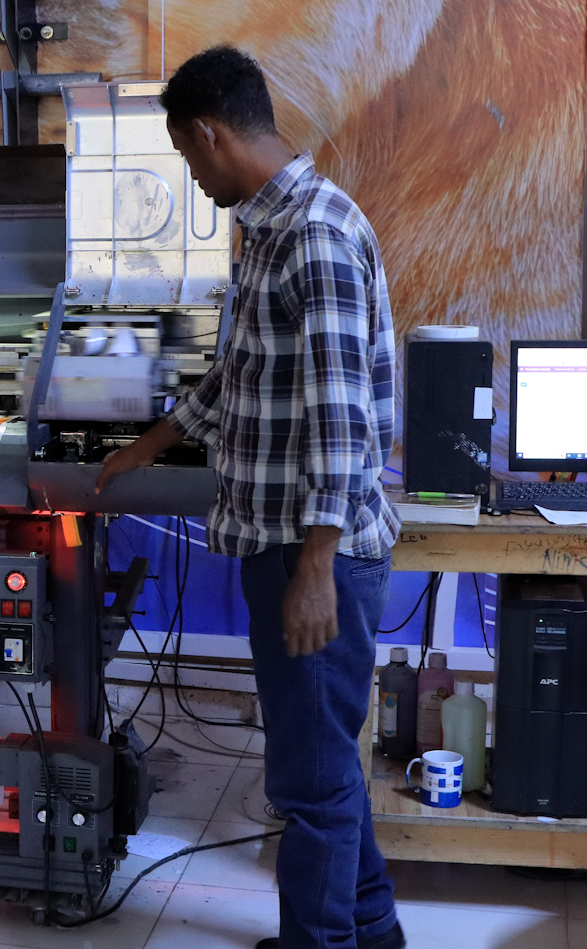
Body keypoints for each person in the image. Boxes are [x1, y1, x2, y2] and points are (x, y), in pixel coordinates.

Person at [97, 46, 402, 949]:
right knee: (324, 764)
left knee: (308, 781)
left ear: (209, 133)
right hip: (289, 548)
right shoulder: (272, 230)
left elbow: (343, 421)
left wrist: (314, 568)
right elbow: (238, 376)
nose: (193, 180)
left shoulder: (313, 233)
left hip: (318, 558)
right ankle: (370, 932)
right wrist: (145, 446)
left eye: (190, 162)